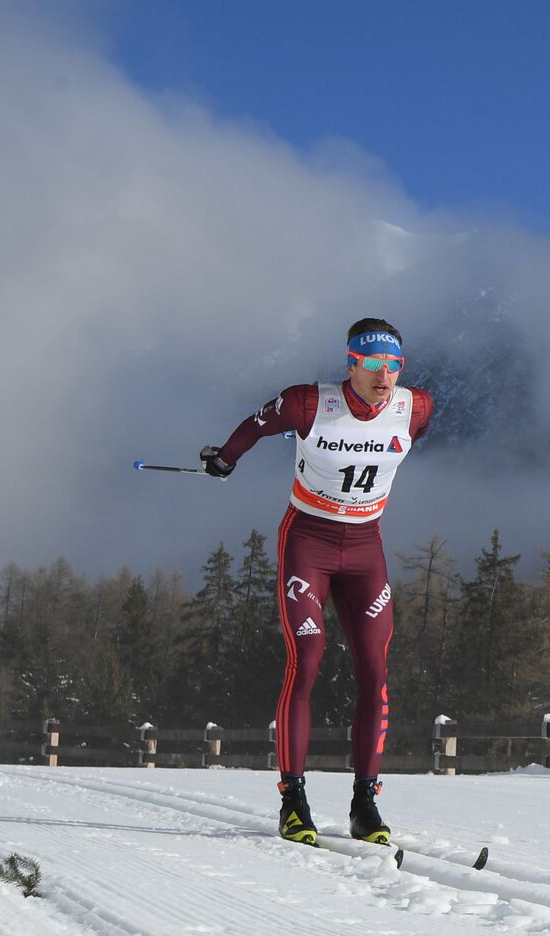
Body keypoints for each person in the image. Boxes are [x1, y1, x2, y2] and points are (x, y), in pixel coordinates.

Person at [201, 317, 433, 846]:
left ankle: (365, 804)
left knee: (375, 670)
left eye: (393, 366)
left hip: (366, 548)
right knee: (306, 660)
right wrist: (224, 459)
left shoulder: (415, 407)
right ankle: (293, 798)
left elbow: (410, 431)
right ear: (351, 363)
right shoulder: (309, 403)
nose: (384, 376)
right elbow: (257, 425)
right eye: (372, 365)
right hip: (308, 541)